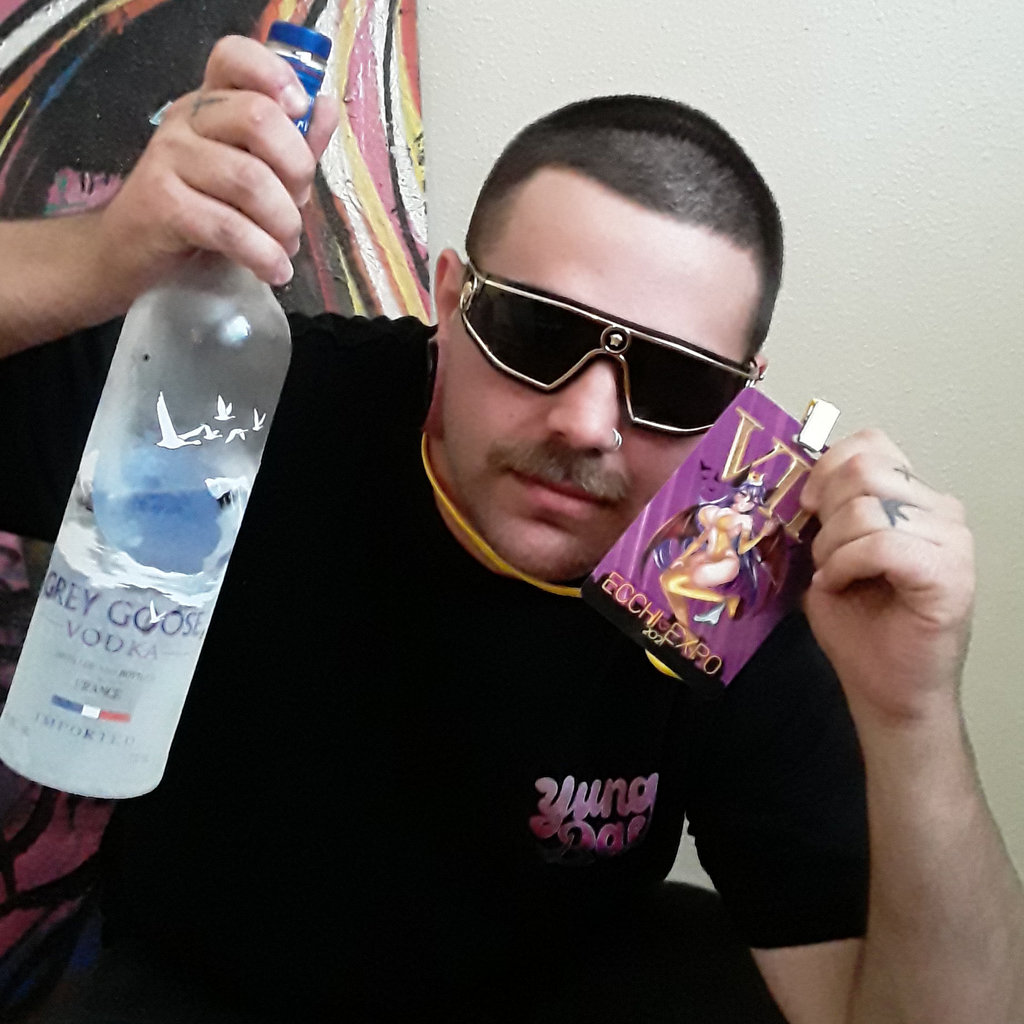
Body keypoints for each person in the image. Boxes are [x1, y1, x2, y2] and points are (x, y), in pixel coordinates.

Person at [0, 33, 1022, 1024]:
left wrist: (912, 715)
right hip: (208, 986)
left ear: (739, 401)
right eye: (536, 332)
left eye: (675, 380)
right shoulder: (247, 398)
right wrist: (99, 257)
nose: (587, 423)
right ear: (451, 302)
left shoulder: (721, 574)